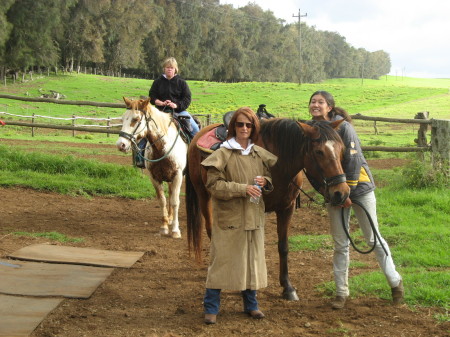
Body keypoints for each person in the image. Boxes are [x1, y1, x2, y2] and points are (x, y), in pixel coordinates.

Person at [306, 90, 404, 309]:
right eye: (313, 101)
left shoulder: (344, 127)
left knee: (373, 239)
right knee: (340, 244)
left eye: (320, 102)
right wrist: (328, 194)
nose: (315, 105)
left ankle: (395, 282)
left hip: (359, 189)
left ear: (329, 107)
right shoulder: (310, 131)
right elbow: (311, 168)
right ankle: (341, 293)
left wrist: (346, 193)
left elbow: (353, 160)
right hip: (333, 192)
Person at [200, 107, 277, 324]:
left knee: (251, 260)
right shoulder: (222, 154)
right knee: (221, 261)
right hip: (230, 218)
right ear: (233, 126)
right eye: (240, 124)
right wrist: (242, 189)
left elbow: (269, 178)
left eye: (249, 125)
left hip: (253, 215)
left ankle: (251, 305)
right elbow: (214, 186)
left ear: (254, 128)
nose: (244, 128)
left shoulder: (258, 153)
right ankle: (211, 307)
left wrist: (265, 182)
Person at [135, 57, 198, 168]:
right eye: (167, 67)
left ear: (175, 70)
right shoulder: (158, 82)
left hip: (179, 112)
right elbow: (152, 95)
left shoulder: (182, 83)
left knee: (195, 130)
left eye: (172, 68)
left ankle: (196, 157)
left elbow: (187, 99)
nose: (169, 69)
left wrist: (176, 105)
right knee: (146, 129)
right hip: (160, 113)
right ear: (164, 69)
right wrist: (158, 102)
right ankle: (140, 157)